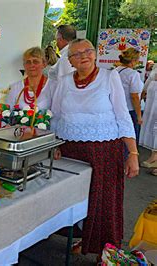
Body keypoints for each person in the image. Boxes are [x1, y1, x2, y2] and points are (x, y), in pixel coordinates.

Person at [49, 39, 139, 256]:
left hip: (105, 149)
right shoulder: (64, 81)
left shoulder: (110, 77)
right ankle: (84, 240)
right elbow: (56, 116)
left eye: (88, 51)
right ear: (70, 61)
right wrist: (54, 144)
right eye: (77, 54)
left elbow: (122, 115)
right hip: (71, 149)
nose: (84, 56)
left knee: (104, 200)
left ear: (96, 54)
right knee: (77, 198)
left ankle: (106, 250)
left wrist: (133, 153)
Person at [115, 48, 144, 143]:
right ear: (133, 60)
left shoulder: (115, 71)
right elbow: (134, 97)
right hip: (130, 110)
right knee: (130, 136)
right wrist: (139, 116)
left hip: (116, 108)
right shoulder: (133, 74)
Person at [140, 66, 157, 171]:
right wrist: (143, 92)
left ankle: (154, 158)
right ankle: (154, 157)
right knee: (152, 127)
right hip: (152, 102)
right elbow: (149, 80)